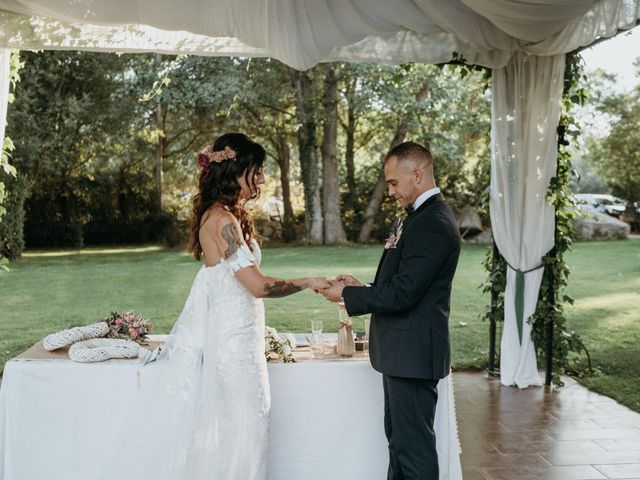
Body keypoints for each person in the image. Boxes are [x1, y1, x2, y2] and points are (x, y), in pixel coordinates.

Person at [101, 133, 329, 480]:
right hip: (233, 347)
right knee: (244, 430)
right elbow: (257, 285)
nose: (263, 178)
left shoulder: (225, 214)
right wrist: (309, 281)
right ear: (235, 171)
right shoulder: (223, 221)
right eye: (257, 170)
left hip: (240, 338)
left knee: (238, 430)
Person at [319, 141, 461, 479]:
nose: (391, 191)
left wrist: (348, 295)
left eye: (394, 183)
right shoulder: (417, 218)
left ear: (417, 174)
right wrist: (361, 286)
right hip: (403, 354)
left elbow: (404, 296)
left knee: (413, 453)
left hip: (412, 356)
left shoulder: (432, 223)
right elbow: (402, 284)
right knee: (400, 446)